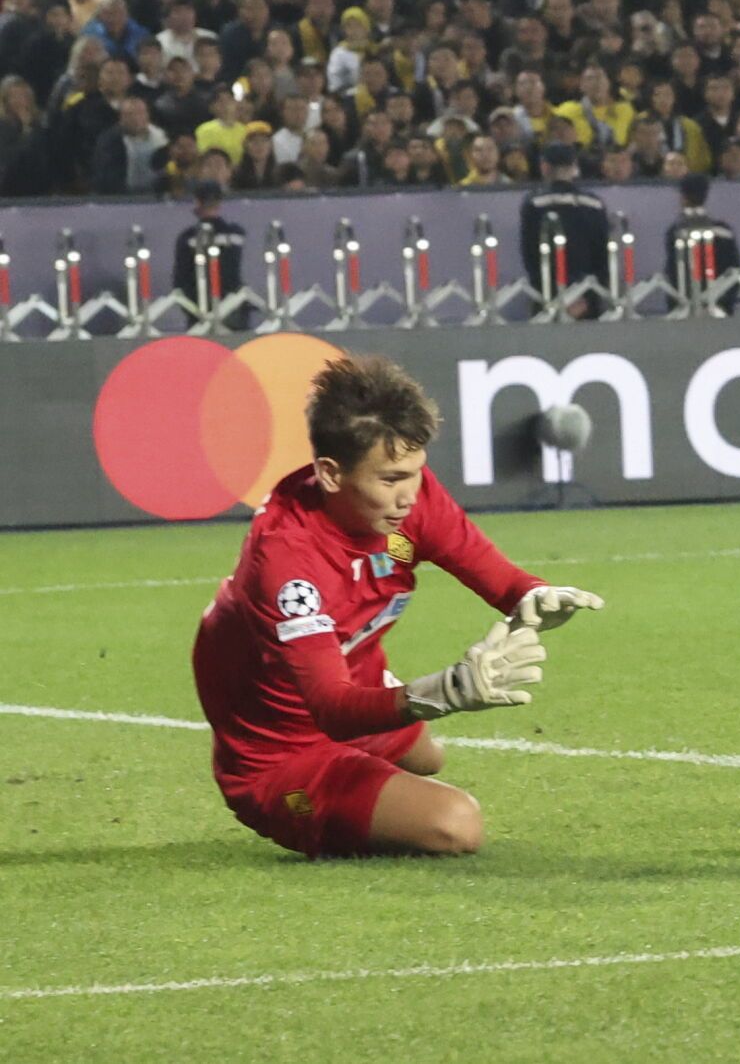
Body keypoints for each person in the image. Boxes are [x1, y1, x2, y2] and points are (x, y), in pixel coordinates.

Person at [191, 354, 603, 858]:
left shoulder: (406, 496)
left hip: (356, 679)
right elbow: (332, 710)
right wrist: (445, 691)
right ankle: (300, 805)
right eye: (390, 479)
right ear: (330, 474)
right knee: (457, 824)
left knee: (428, 759)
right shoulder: (289, 563)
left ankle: (368, 777)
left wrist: (531, 594)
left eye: (415, 472)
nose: (409, 495)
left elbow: (479, 562)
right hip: (281, 754)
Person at [518, 142, 610, 318]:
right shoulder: (594, 204)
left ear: (544, 167)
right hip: (588, 293)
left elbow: (530, 254)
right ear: (574, 167)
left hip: (547, 295)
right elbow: (603, 254)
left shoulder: (534, 203)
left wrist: (549, 291)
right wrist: (589, 295)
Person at [171, 179, 247, 323]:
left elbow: (180, 279)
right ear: (219, 203)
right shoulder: (235, 234)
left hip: (197, 310)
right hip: (232, 307)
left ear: (197, 202)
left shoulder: (187, 238)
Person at [667, 173, 740, 313]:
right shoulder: (724, 232)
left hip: (684, 309)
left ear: (683, 197)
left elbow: (673, 273)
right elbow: (734, 272)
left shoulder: (675, 233)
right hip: (720, 308)